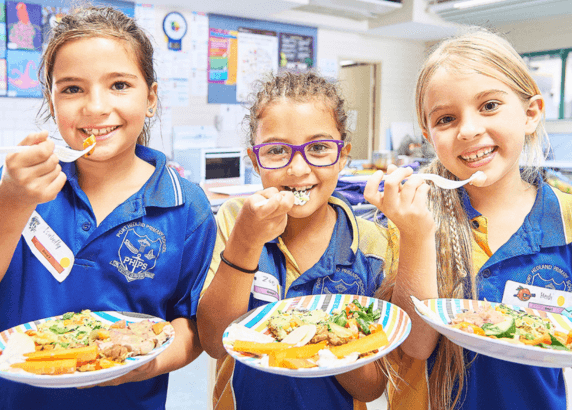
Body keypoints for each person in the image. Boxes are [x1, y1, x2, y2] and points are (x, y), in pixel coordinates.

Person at [0, 6, 216, 410]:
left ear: (150, 98)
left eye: (119, 85)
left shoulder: (187, 206)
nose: (96, 107)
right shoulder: (16, 184)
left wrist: (149, 365)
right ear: (51, 100)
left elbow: (193, 328)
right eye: (72, 88)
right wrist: (12, 203)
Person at [365, 29, 572, 410]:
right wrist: (417, 233)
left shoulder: (565, 218)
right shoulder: (410, 216)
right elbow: (416, 344)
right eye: (446, 118)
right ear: (428, 134)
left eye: (490, 105)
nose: (469, 129)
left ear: (531, 113)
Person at [197, 71, 424, 410]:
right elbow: (215, 341)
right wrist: (245, 243)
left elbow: (371, 388)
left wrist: (328, 331)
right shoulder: (233, 220)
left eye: (318, 148)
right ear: (254, 158)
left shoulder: (373, 245)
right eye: (276, 150)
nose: (298, 168)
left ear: (343, 154)